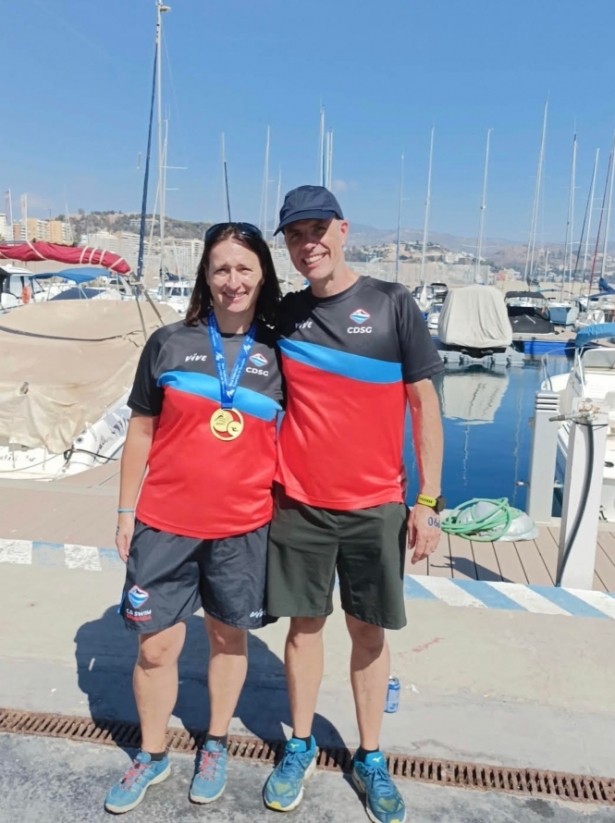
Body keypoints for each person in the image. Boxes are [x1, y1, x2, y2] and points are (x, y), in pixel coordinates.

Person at [263, 186, 445, 823]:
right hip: (300, 506)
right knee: (303, 628)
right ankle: (301, 742)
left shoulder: (392, 304)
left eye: (316, 230)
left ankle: (370, 755)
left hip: (376, 508)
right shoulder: (282, 316)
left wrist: (427, 502)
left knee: (368, 632)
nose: (307, 244)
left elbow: (424, 408)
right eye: (293, 235)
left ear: (343, 231)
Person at [104, 222, 283, 814]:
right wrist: (127, 510)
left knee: (228, 637)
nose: (233, 280)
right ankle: (151, 755)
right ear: (206, 276)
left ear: (262, 275)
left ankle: (215, 742)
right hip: (165, 521)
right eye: (221, 269)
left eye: (244, 268)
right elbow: (141, 430)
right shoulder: (169, 343)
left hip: (243, 525)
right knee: (155, 648)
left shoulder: (278, 352)